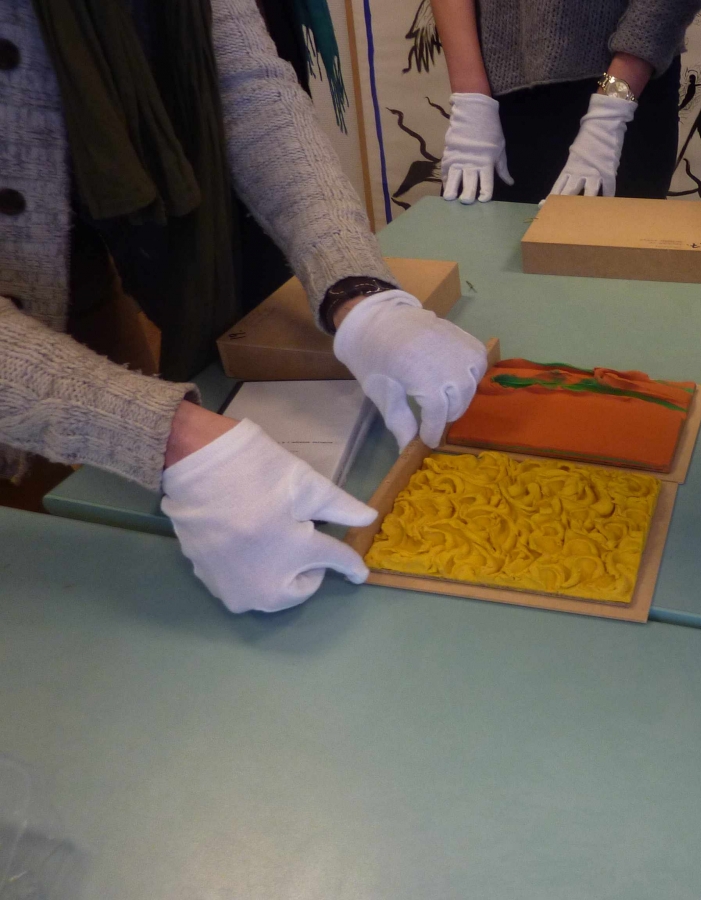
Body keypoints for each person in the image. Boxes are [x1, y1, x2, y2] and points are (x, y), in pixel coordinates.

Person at [0, 0, 487, 614]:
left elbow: (250, 90)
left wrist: (357, 293)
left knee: (103, 510)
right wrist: (163, 434)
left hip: (86, 252)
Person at [432, 0, 701, 205]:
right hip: (492, 100)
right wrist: (471, 100)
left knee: (609, 258)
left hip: (623, 90)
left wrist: (610, 114)